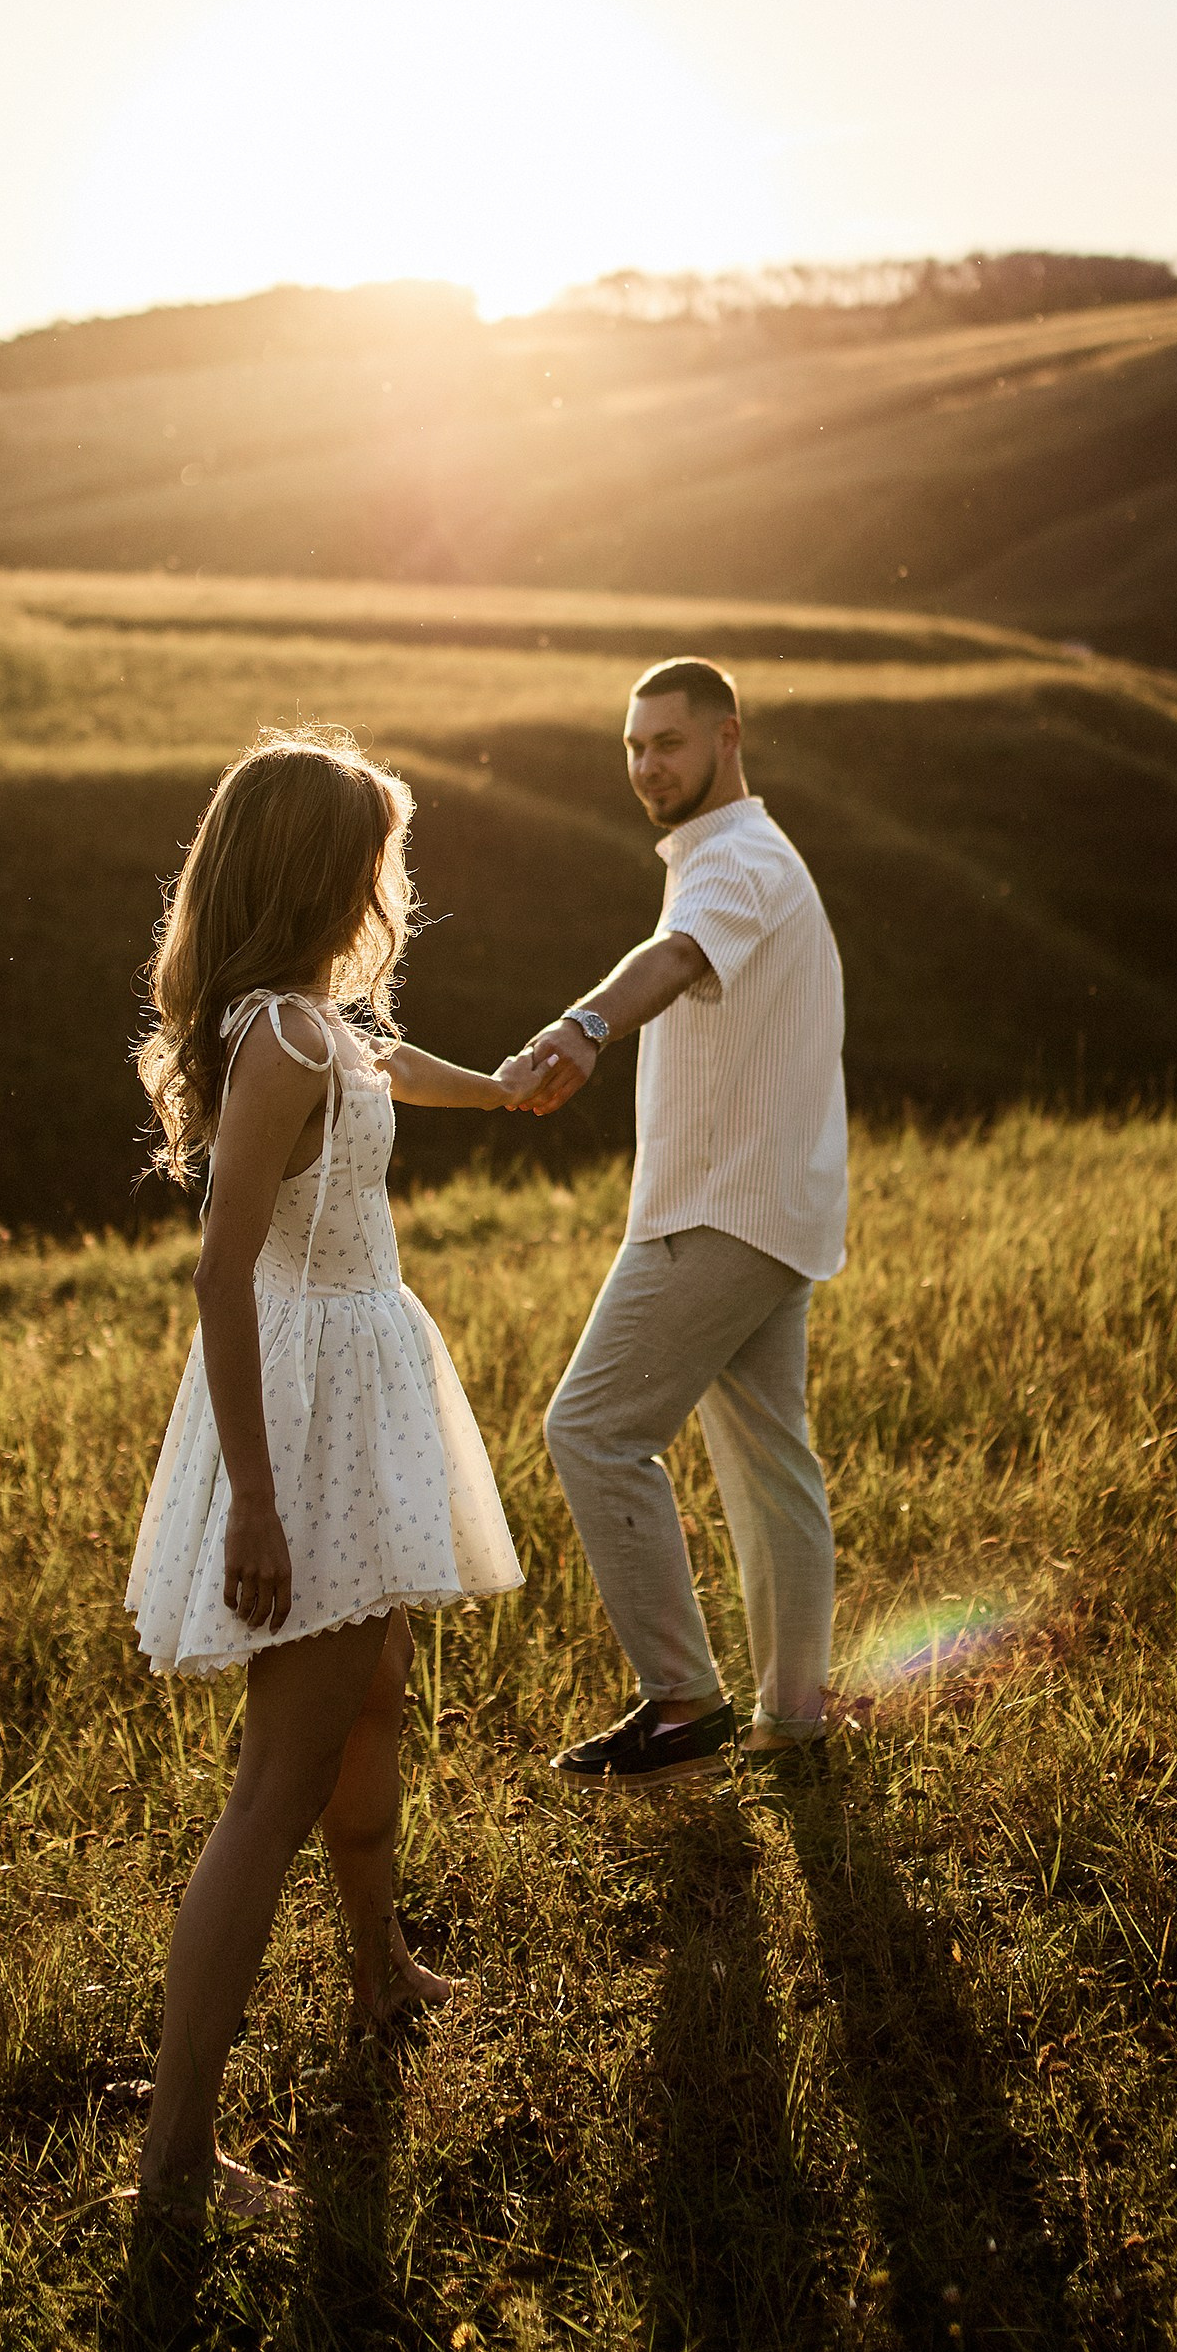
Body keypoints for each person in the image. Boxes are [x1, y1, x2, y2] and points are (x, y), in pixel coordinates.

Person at [125, 727, 531, 2219]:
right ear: (325, 874)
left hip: (358, 1390)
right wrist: (260, 1502)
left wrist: (502, 1088)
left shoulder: (310, 1026)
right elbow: (221, 1278)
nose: (389, 885)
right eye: (373, 858)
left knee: (371, 1700)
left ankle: (379, 1969)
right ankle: (177, 2160)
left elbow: (389, 1062)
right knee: (276, 1783)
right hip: (302, 1418)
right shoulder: (286, 1042)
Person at [503, 658, 847, 1787]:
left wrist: (582, 1027)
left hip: (717, 1215)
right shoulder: (733, 856)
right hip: (766, 1206)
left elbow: (673, 958)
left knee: (590, 1430)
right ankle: (791, 1719)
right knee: (768, 1465)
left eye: (668, 743)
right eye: (633, 747)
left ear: (727, 738)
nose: (647, 765)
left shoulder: (737, 861)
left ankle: (683, 1707)